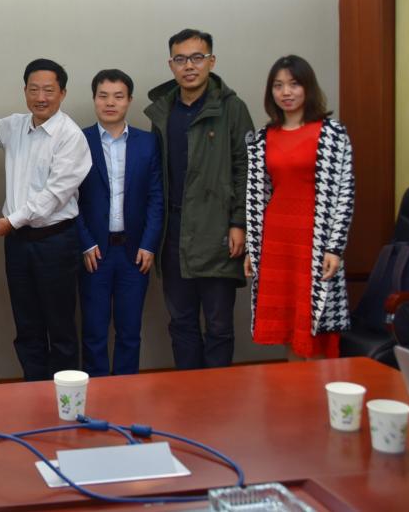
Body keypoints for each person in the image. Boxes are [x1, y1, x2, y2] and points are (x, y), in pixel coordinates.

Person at [144, 29, 254, 370]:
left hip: (218, 231)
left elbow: (246, 168)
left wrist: (239, 223)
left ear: (211, 61)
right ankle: (188, 392)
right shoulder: (163, 111)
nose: (189, 66)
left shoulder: (232, 108)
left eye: (197, 57)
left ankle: (217, 395)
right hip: (174, 233)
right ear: (171, 65)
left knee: (219, 326)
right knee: (182, 324)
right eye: (180, 59)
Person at [0, 59, 92, 381]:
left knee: (60, 327)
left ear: (62, 93)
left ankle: (65, 397)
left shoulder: (70, 136)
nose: (40, 97)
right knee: (26, 325)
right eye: (34, 90)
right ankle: (33, 391)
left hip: (55, 242)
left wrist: (12, 221)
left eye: (48, 90)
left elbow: (53, 196)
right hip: (17, 244)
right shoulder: (14, 126)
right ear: (25, 91)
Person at [245, 55, 354, 358]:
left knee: (314, 323)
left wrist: (335, 247)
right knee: (286, 324)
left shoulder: (332, 133)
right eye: (278, 85)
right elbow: (256, 196)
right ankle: (294, 382)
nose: (286, 92)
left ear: (308, 87)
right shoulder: (264, 137)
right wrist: (254, 248)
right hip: (277, 240)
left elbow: (345, 194)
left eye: (294, 84)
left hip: (314, 241)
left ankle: (316, 384)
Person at [76, 70, 164, 376]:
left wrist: (149, 244)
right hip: (94, 252)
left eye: (118, 96)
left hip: (134, 252)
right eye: (103, 96)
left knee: (129, 332)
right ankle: (98, 392)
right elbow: (68, 198)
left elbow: (156, 197)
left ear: (129, 100)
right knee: (94, 332)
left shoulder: (148, 143)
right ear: (94, 99)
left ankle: (126, 391)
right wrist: (85, 242)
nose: (110, 103)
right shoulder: (78, 141)